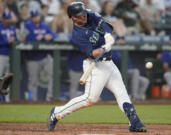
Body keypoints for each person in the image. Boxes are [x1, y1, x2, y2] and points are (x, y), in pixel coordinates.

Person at [47, 2, 147, 132]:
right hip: (95, 66)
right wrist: (104, 48)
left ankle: (134, 122)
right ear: (73, 17)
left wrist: (108, 35)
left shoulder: (90, 14)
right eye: (80, 15)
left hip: (109, 64)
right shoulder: (77, 35)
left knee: (122, 93)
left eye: (83, 13)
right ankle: (56, 112)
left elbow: (106, 25)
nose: (84, 16)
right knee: (90, 99)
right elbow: (92, 54)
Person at [22, 10, 56, 101]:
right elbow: (22, 38)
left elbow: (53, 35)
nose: (35, 18)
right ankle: (32, 99)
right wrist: (34, 38)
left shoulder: (44, 25)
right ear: (31, 17)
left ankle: (50, 97)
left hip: (44, 56)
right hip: (32, 58)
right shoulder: (27, 26)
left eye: (37, 16)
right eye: (33, 16)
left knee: (52, 75)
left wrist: (49, 37)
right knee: (33, 81)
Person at [0, 10, 17, 102]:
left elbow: (16, 40)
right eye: (5, 18)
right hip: (1, 55)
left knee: (7, 79)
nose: (7, 20)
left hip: (10, 56)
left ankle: (6, 99)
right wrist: (7, 42)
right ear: (2, 19)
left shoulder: (12, 28)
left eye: (8, 18)